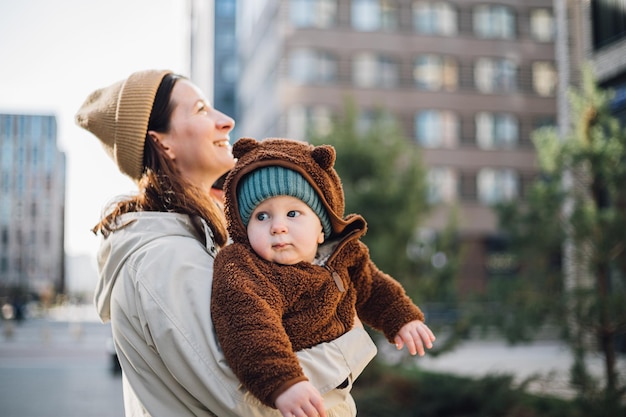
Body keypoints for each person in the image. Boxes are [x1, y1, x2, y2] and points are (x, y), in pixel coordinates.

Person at [75, 69, 377, 417]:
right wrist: (349, 337)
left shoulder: (196, 242)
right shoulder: (165, 258)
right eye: (201, 109)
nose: (227, 121)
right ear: (162, 142)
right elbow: (244, 399)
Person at [212, 138, 437, 417]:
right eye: (261, 216)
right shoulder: (246, 268)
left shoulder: (343, 255)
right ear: (244, 229)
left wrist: (401, 317)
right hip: (293, 396)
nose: (278, 227)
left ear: (322, 228)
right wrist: (283, 382)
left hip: (339, 396)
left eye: (293, 213)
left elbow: (373, 287)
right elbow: (248, 326)